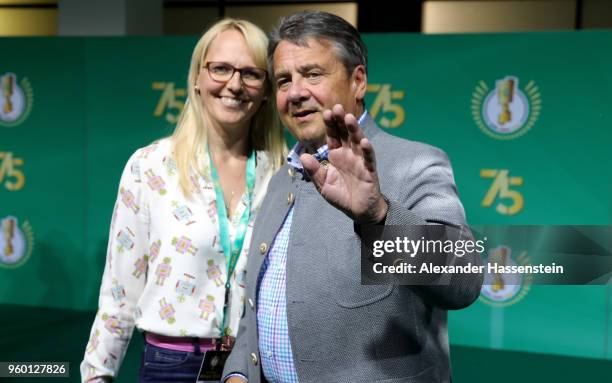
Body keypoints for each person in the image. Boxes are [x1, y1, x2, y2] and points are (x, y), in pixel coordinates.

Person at [223, 11, 483, 383]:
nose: (296, 92)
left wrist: (378, 216)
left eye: (312, 74)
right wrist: (238, 374)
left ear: (358, 80)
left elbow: (464, 280)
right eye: (284, 80)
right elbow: (256, 305)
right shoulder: (281, 179)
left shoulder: (416, 163)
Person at [81, 18, 286, 383]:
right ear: (197, 77)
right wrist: (97, 375)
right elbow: (119, 293)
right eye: (221, 68)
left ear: (267, 89)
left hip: (256, 367)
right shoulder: (150, 166)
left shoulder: (282, 172)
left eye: (251, 73)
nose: (234, 84)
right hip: (171, 366)